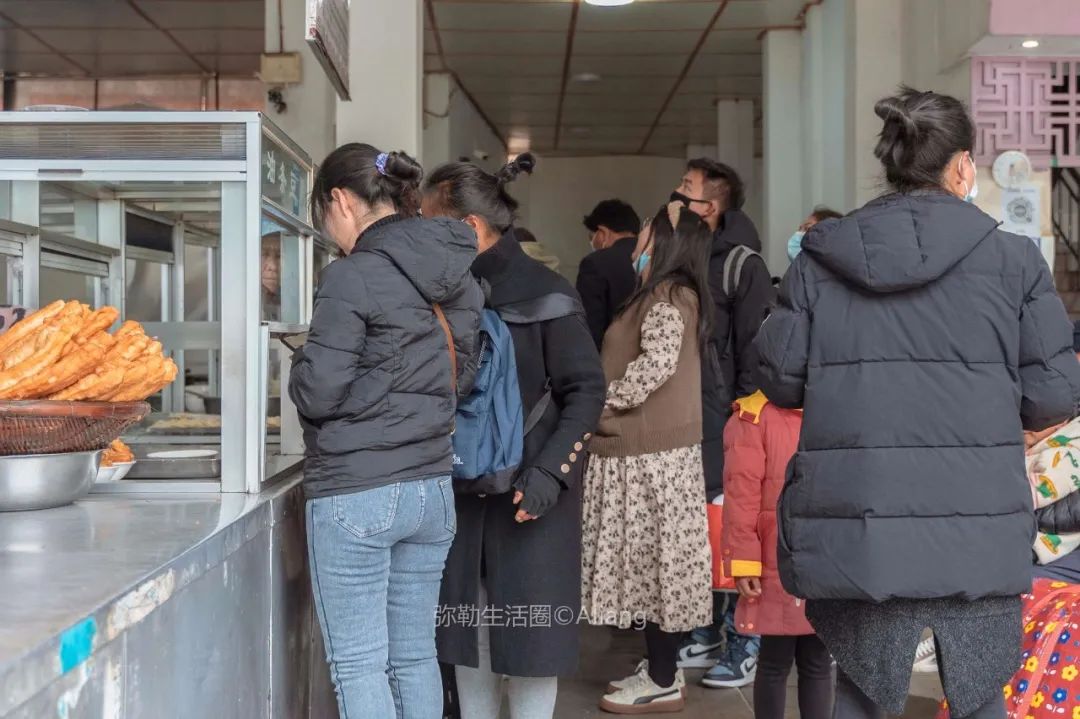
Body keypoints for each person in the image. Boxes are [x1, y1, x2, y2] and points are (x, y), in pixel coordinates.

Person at [753, 86, 1080, 719]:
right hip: (978, 524)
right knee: (980, 698)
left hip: (859, 526)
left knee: (860, 694)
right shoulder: (1014, 261)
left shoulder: (820, 261)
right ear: (962, 167)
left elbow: (782, 381)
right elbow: (1053, 396)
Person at [289, 143, 483, 719]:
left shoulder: (350, 276)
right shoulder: (459, 275)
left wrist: (300, 360)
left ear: (341, 201)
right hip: (432, 490)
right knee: (415, 657)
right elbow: (461, 378)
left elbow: (319, 392)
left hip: (358, 492)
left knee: (359, 665)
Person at [422, 154, 606, 719]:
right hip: (460, 496)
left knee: (530, 649)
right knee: (467, 639)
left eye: (430, 224)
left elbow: (586, 391)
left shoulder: (549, 293)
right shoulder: (440, 294)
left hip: (532, 500)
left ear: (468, 227)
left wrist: (551, 472)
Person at [581, 202, 714, 714]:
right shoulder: (666, 294)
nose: (636, 240)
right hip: (651, 456)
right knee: (654, 572)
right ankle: (663, 669)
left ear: (661, 243)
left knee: (654, 573)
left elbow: (655, 365)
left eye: (645, 232)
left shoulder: (667, 296)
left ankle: (661, 678)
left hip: (649, 461)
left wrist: (601, 404)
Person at [672, 159, 773, 689]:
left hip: (728, 418)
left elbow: (755, 349)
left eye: (685, 189)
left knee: (734, 530)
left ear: (709, 207)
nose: (675, 194)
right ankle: (707, 630)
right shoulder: (677, 258)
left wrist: (744, 421)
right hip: (683, 417)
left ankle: (744, 639)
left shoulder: (741, 265)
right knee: (697, 532)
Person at [721, 391, 832, 719]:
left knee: (817, 659)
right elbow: (740, 496)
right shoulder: (752, 418)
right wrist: (743, 560)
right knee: (774, 659)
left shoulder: (833, 406)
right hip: (774, 560)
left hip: (824, 556)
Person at [576, 199, 642, 349]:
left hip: (611, 356)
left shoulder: (595, 263)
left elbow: (590, 327)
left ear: (603, 233)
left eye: (592, 236)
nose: (592, 242)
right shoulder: (659, 258)